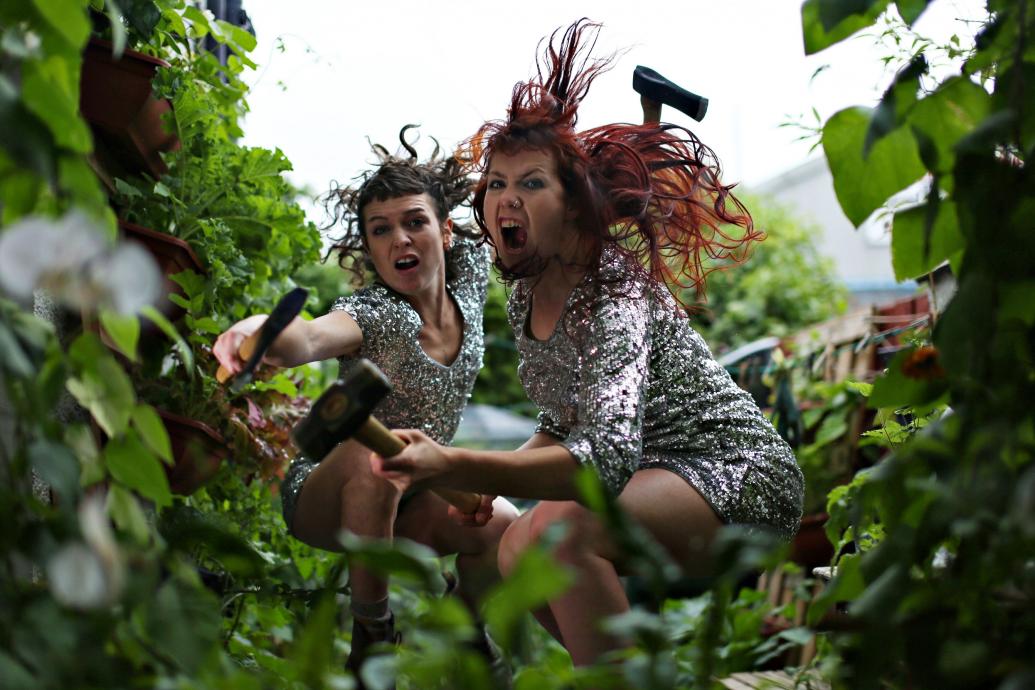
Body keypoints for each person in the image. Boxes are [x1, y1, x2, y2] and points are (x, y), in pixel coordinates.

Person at [371, 21, 804, 667]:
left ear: (573, 204)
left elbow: (597, 460)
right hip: (650, 479)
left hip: (736, 478)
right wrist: (484, 487)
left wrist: (455, 464)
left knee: (555, 534)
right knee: (518, 543)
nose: (504, 200)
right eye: (495, 184)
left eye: (530, 183)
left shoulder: (615, 297)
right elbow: (560, 422)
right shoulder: (525, 295)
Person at [212, 128, 518, 682]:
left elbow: (515, 206)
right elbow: (305, 338)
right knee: (374, 457)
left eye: (414, 222)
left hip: (419, 491)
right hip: (330, 494)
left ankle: (465, 631)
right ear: (370, 248)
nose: (399, 239)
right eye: (381, 230)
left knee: (502, 525)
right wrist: (253, 334)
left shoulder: (470, 278)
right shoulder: (375, 314)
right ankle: (372, 638)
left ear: (445, 232)